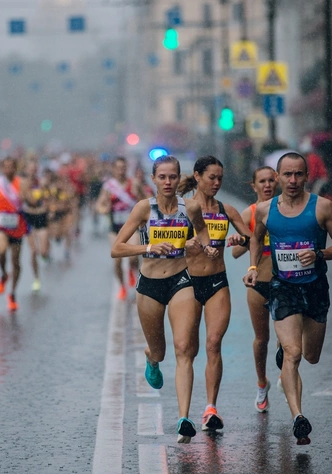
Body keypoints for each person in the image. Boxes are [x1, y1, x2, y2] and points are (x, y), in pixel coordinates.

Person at [243, 152, 332, 445]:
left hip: (315, 288)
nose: (292, 180)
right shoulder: (265, 210)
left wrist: (319, 254)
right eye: (287, 175)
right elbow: (256, 237)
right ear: (277, 177)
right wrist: (253, 268)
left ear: (306, 176)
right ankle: (298, 417)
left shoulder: (323, 207)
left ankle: (293, 353)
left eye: (298, 174)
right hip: (283, 287)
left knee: (311, 356)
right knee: (292, 353)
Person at [111, 155, 218, 444]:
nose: (168, 182)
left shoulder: (191, 207)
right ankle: (152, 358)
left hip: (181, 280)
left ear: (178, 178)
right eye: (162, 177)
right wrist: (149, 246)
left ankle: (184, 417)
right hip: (149, 286)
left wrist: (207, 248)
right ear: (153, 180)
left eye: (173, 177)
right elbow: (116, 249)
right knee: (160, 351)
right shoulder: (144, 209)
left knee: (184, 348)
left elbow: (204, 232)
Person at [177, 155, 251, 432]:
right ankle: (155, 356)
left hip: (217, 282)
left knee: (213, 344)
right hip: (187, 283)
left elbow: (248, 237)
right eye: (212, 177)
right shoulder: (182, 209)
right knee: (188, 348)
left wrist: (237, 239)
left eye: (220, 178)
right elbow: (166, 243)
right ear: (197, 176)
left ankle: (210, 409)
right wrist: (188, 244)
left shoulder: (226, 210)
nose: (217, 183)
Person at [232, 166, 279, 413]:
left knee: (288, 339)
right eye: (262, 181)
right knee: (262, 339)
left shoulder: (287, 210)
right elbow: (236, 251)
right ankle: (262, 384)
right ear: (254, 186)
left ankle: (286, 372)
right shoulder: (249, 212)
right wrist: (251, 237)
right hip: (258, 282)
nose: (268, 185)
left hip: (285, 281)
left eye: (272, 180)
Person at [0, 157, 29, 311]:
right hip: (0, 225)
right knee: (2, 251)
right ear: (1, 168)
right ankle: (3, 274)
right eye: (6, 167)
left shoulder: (22, 183)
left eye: (11, 167)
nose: (8, 170)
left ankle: (12, 294)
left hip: (17, 225)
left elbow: (28, 199)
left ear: (15, 168)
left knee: (16, 262)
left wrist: (25, 197)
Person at [96, 157, 139, 300]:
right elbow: (99, 206)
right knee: (117, 260)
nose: (121, 170)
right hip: (115, 228)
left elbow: (145, 200)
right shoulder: (108, 187)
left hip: (132, 226)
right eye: (118, 168)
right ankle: (122, 286)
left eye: (123, 167)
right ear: (113, 169)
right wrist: (105, 209)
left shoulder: (134, 184)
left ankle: (133, 271)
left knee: (133, 256)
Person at [21, 160, 50, 292]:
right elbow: (28, 200)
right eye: (30, 169)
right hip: (29, 217)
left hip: (41, 216)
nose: (32, 171)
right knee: (33, 251)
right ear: (26, 170)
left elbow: (48, 197)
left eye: (34, 168)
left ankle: (45, 255)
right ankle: (36, 278)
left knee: (42, 251)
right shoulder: (23, 183)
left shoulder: (42, 182)